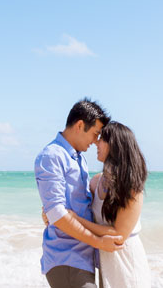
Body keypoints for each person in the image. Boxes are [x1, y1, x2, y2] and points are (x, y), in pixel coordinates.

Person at [35, 99, 123, 288]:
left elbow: (78, 204)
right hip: (66, 257)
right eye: (95, 134)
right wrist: (99, 242)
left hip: (82, 258)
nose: (95, 141)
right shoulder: (52, 156)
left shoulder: (78, 158)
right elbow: (57, 213)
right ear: (80, 125)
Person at [66, 121, 151, 288]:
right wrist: (50, 212)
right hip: (106, 265)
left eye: (102, 139)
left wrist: (75, 219)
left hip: (128, 266)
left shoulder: (133, 189)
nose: (96, 142)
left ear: (115, 145)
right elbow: (76, 203)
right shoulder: (96, 181)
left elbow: (119, 234)